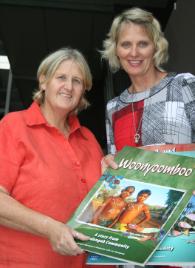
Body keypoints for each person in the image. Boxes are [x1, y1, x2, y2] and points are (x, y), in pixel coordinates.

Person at [0, 48, 117, 268]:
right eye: (61, 77)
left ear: (83, 90)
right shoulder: (13, 127)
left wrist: (112, 178)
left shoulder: (88, 139)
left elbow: (101, 206)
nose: (69, 87)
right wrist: (50, 228)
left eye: (77, 81)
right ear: (44, 81)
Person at [101, 7, 195, 155]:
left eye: (143, 44)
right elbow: (117, 169)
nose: (134, 53)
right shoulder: (113, 108)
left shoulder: (183, 85)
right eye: (126, 44)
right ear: (116, 50)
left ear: (156, 47)